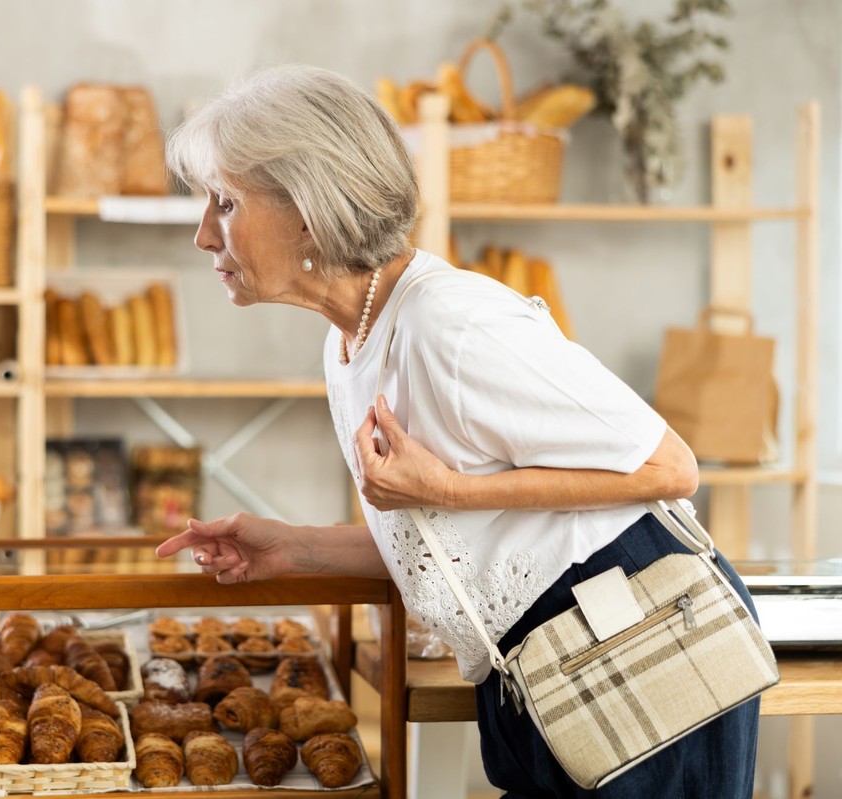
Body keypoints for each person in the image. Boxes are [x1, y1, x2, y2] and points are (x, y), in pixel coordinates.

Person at [154, 64, 761, 798]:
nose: (201, 234)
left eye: (223, 202)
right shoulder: (350, 340)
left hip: (638, 652)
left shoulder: (452, 321)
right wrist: (295, 545)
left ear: (307, 206)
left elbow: (671, 465)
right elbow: (444, 534)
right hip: (541, 673)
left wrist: (449, 486)